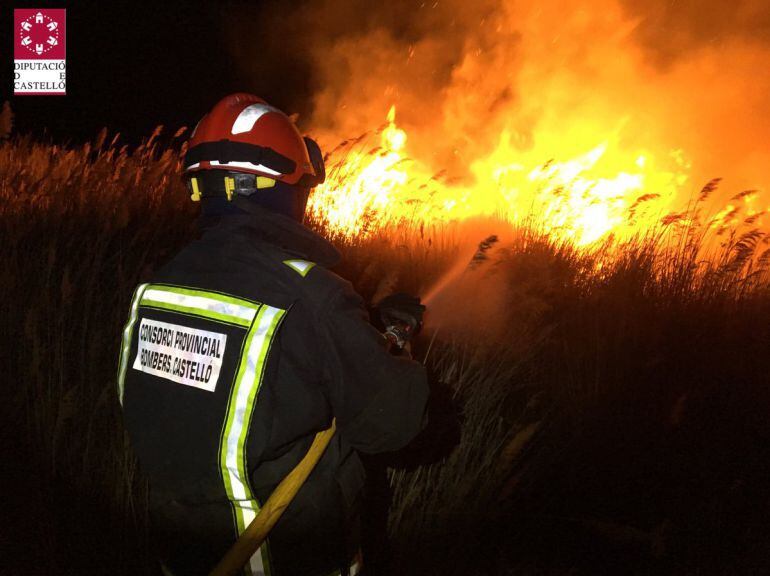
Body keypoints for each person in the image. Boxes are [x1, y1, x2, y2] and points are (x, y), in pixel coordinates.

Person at [116, 93, 429, 576]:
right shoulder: (313, 295)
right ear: (283, 189)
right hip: (285, 556)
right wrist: (397, 345)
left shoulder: (156, 287)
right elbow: (391, 424)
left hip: (184, 555)